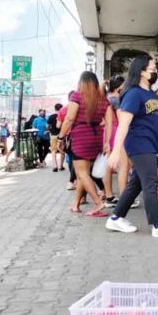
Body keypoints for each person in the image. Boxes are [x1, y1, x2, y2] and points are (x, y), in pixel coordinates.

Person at [105, 56, 158, 238]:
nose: (155, 70)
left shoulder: (150, 94)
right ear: (141, 71)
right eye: (152, 67)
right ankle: (157, 224)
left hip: (150, 144)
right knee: (151, 182)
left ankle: (116, 218)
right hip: (139, 143)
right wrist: (116, 151)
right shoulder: (133, 94)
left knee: (136, 184)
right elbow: (124, 123)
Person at [58, 73, 113, 216]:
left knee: (81, 173)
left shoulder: (77, 96)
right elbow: (109, 122)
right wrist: (107, 142)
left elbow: (70, 118)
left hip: (81, 137)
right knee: (85, 173)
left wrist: (60, 137)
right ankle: (75, 204)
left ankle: (98, 202)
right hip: (96, 138)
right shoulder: (103, 99)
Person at [103, 76, 128, 207]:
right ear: (119, 87)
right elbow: (121, 118)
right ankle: (125, 197)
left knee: (108, 166)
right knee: (123, 166)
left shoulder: (106, 98)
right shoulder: (116, 100)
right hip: (116, 132)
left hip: (106, 133)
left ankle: (109, 196)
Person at [47, 104, 64, 172]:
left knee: (53, 151)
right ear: (61, 108)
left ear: (55, 109)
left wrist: (50, 130)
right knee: (62, 150)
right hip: (61, 135)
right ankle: (61, 166)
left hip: (53, 135)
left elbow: (47, 126)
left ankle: (55, 166)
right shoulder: (63, 116)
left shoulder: (51, 116)